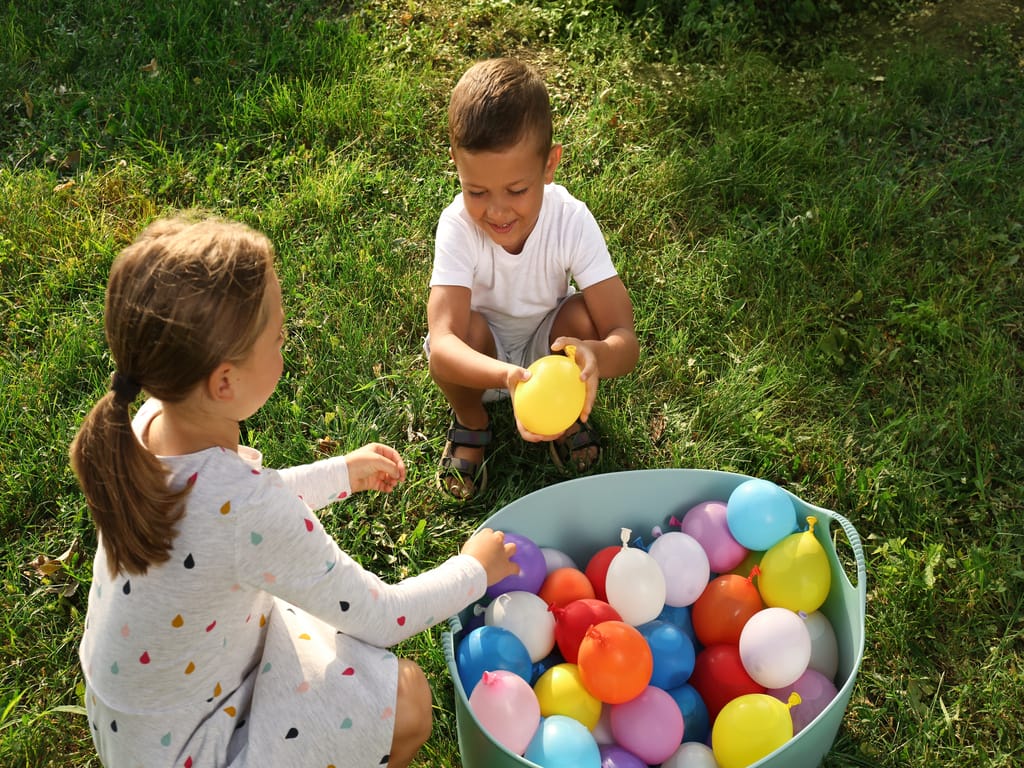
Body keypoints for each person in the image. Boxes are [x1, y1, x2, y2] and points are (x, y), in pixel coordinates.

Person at [70, 216, 519, 768]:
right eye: (279, 338)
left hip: (146, 727)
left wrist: (339, 474)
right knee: (407, 702)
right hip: (202, 748)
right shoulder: (244, 509)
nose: (287, 345)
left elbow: (225, 519)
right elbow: (379, 615)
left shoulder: (145, 423)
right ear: (225, 382)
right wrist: (474, 569)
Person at [426, 57, 640, 500]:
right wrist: (507, 377)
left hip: (550, 346)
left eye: (517, 191)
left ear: (550, 165)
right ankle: (471, 420)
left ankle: (563, 415)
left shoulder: (571, 220)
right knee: (462, 328)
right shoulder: (457, 227)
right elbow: (444, 347)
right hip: (482, 361)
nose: (497, 211)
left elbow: (624, 336)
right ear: (456, 165)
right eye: (476, 191)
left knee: (583, 317)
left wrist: (595, 355)